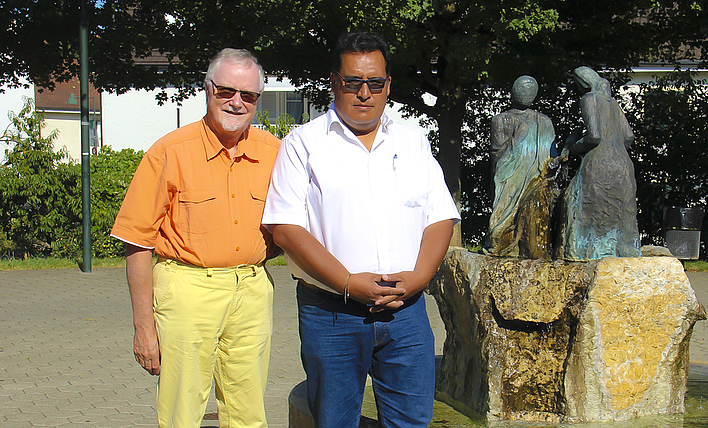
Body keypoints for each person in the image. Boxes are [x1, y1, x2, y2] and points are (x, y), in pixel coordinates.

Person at [262, 31, 459, 428]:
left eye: (375, 82)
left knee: (411, 423)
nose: (364, 92)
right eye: (353, 82)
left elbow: (440, 216)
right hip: (331, 316)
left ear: (389, 85)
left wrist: (418, 278)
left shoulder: (412, 140)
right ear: (335, 82)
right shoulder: (303, 144)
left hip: (406, 316)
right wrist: (350, 283)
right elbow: (285, 228)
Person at [110, 48, 280, 428]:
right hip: (187, 288)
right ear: (207, 90)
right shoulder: (169, 152)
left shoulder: (275, 153)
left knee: (248, 411)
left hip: (252, 289)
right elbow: (137, 242)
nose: (236, 103)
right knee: (182, 411)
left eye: (248, 95)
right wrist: (144, 328)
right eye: (226, 91)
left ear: (257, 100)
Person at [555, 66, 641, 260]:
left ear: (582, 83)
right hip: (623, 166)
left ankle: (586, 252)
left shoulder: (589, 99)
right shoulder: (614, 104)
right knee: (621, 212)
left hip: (600, 164)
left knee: (579, 205)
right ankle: (623, 250)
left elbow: (594, 137)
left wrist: (573, 148)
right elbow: (628, 137)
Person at [486, 75, 556, 258]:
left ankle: (527, 246)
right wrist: (517, 140)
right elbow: (497, 157)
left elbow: (551, 154)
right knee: (500, 231)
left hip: (535, 180)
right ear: (513, 92)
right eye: (523, 89)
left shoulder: (544, 121)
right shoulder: (500, 120)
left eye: (531, 90)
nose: (527, 93)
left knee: (534, 222)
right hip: (509, 183)